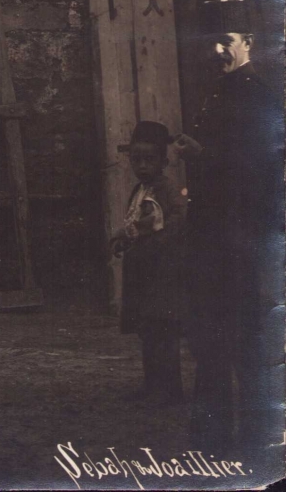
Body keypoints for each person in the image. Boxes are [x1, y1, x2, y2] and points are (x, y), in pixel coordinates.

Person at [175, 0, 285, 457]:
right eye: (210, 42)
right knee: (212, 334)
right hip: (214, 235)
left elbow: (258, 170)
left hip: (240, 236)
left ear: (249, 43)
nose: (216, 51)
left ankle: (256, 438)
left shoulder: (256, 96)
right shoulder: (221, 92)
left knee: (242, 335)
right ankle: (214, 437)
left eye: (226, 41)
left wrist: (202, 156)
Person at [110, 121, 187, 405]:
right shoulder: (139, 190)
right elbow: (136, 224)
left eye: (149, 160)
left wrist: (159, 242)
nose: (142, 166)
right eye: (136, 160)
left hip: (162, 271)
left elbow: (179, 219)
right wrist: (124, 240)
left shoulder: (167, 190)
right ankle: (152, 385)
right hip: (143, 272)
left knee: (163, 330)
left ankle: (170, 390)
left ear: (163, 162)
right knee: (147, 330)